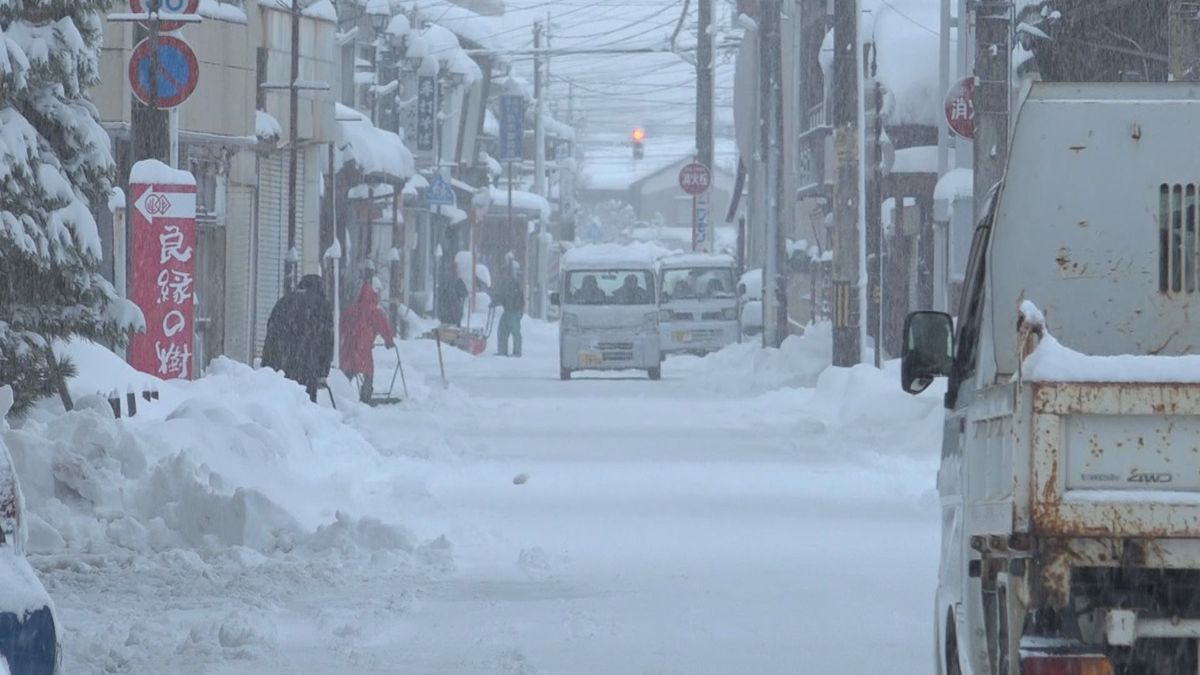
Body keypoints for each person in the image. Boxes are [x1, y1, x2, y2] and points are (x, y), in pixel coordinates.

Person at [261, 274, 334, 402]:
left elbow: (271, 333)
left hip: (279, 365)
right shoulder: (322, 306)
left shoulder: (283, 302)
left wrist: (267, 366)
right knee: (305, 408)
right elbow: (327, 342)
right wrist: (322, 372)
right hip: (307, 367)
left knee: (280, 406)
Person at [341, 277, 396, 403]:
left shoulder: (351, 310)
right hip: (364, 348)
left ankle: (341, 395)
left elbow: (342, 326)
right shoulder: (375, 313)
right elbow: (385, 328)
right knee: (368, 372)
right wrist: (389, 341)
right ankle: (365, 395)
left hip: (350, 347)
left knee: (349, 371)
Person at [491, 262, 525, 357]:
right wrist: (495, 301)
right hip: (508, 310)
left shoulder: (513, 283)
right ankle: (502, 351)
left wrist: (496, 301)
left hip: (515, 310)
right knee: (502, 330)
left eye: (504, 272)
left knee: (515, 331)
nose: (503, 274)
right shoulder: (506, 282)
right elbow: (502, 296)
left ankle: (517, 352)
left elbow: (505, 296)